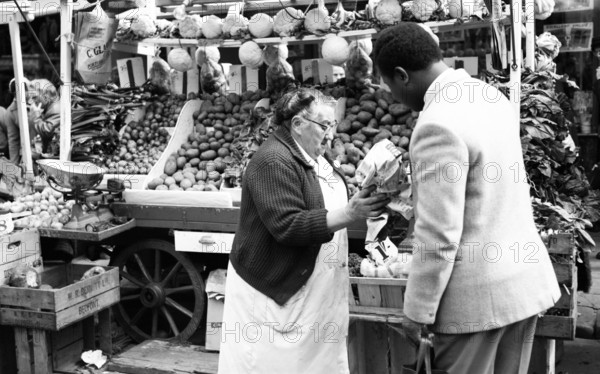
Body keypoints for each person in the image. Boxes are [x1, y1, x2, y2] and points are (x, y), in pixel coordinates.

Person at [372, 23, 561, 374]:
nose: (391, 96)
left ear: (401, 75)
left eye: (388, 84)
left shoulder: (436, 125)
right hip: (522, 286)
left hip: (475, 302)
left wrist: (417, 312)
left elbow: (439, 234)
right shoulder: (490, 96)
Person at [218, 88, 389, 374]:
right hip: (278, 292)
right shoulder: (271, 161)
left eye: (332, 125)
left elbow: (326, 201)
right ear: (298, 124)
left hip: (317, 293)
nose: (332, 133)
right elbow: (288, 226)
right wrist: (350, 213)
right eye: (325, 126)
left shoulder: (316, 155)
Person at [27, 78, 60, 155]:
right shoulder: (49, 107)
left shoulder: (56, 109)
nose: (31, 101)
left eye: (34, 97)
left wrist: (36, 118)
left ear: (46, 96)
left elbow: (47, 132)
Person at [0, 78, 28, 164]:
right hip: (21, 153)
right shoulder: (10, 111)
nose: (18, 96)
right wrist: (14, 165)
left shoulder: (39, 102)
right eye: (15, 93)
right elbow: (13, 139)